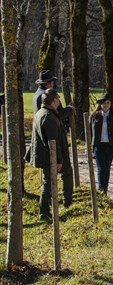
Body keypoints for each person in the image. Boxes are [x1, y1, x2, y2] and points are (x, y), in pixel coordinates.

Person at [26, 89, 73, 221]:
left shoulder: (42, 113)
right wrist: (58, 160)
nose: (59, 100)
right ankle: (46, 211)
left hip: (46, 155)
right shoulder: (49, 117)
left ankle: (51, 208)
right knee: (49, 183)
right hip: (50, 156)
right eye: (58, 98)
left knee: (48, 183)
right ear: (53, 101)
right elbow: (53, 142)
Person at [90, 94, 113, 195]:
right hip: (98, 146)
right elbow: (89, 132)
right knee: (101, 168)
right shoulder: (94, 116)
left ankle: (105, 187)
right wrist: (89, 146)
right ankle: (101, 188)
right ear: (100, 104)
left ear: (110, 105)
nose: (105, 105)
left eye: (108, 103)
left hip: (110, 146)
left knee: (107, 168)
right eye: (104, 103)